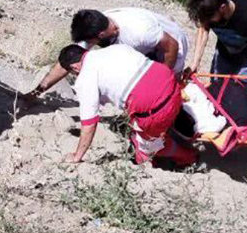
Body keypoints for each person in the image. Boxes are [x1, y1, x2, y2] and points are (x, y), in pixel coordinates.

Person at [61, 43, 197, 167]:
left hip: (156, 109)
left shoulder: (85, 78)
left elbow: (89, 123)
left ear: (74, 67)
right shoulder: (116, 48)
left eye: (73, 72)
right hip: (173, 86)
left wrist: (77, 156)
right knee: (140, 120)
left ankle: (187, 157)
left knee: (145, 148)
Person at [25, 7, 189, 99]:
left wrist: (162, 76)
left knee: (164, 89)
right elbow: (67, 62)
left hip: (171, 46)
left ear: (100, 36)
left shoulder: (139, 31)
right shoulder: (96, 26)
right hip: (143, 49)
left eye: (90, 42)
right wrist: (37, 91)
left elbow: (171, 46)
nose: (89, 45)